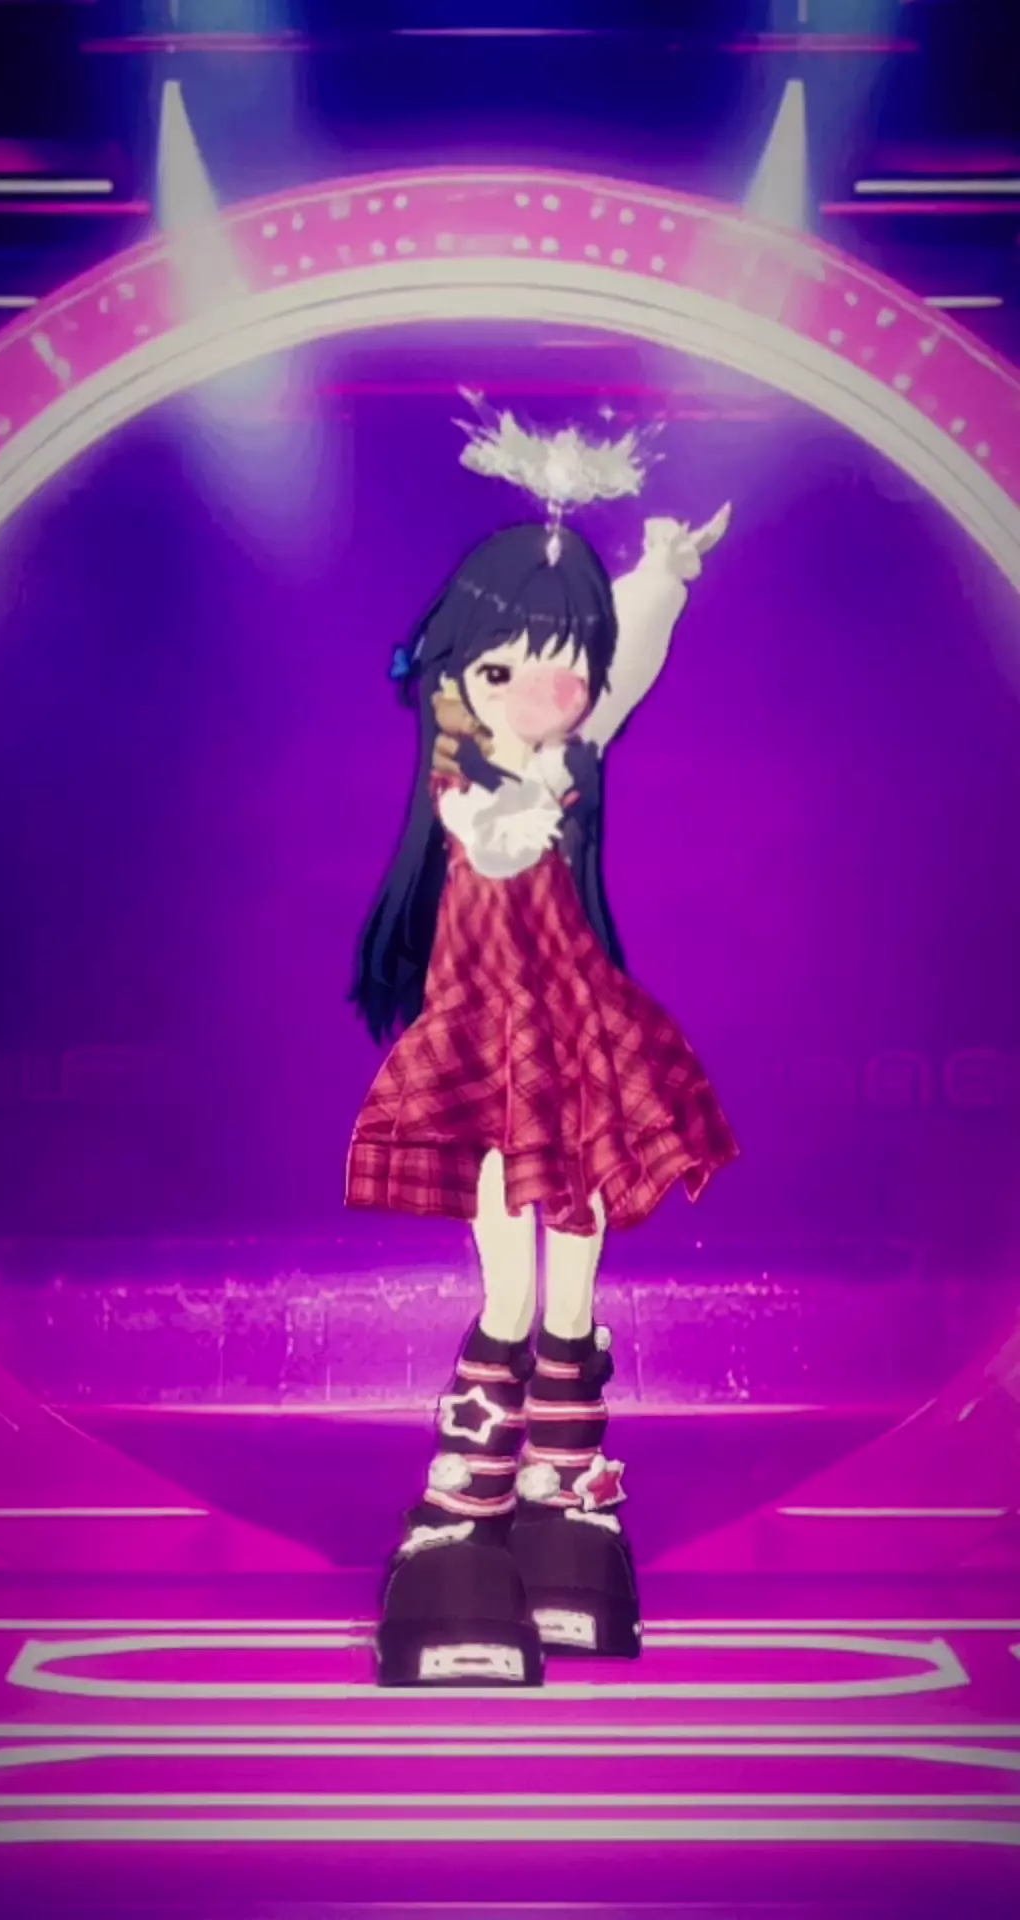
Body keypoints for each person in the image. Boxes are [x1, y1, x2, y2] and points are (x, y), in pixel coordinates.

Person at [347, 401, 737, 1685]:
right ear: (461, 671)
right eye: (511, 666)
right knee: (511, 1292)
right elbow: (502, 837)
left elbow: (620, 675)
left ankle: (566, 1504)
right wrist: (546, 785)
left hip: (576, 1042)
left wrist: (661, 577)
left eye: (563, 664)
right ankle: (461, 1520)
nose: (550, 690)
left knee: (575, 1287)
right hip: (491, 1054)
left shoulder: (570, 758)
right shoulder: (473, 788)